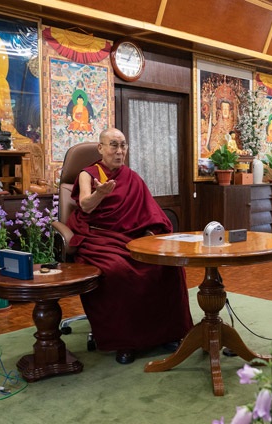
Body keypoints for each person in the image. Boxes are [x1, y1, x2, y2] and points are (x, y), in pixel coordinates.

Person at [66, 128, 193, 364]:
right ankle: (125, 341)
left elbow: (151, 212)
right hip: (100, 239)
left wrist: (151, 234)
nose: (119, 151)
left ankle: (169, 333)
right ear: (100, 148)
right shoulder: (88, 174)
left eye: (123, 145)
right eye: (113, 145)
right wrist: (100, 194)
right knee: (118, 272)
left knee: (168, 266)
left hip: (132, 238)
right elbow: (85, 205)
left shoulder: (131, 177)